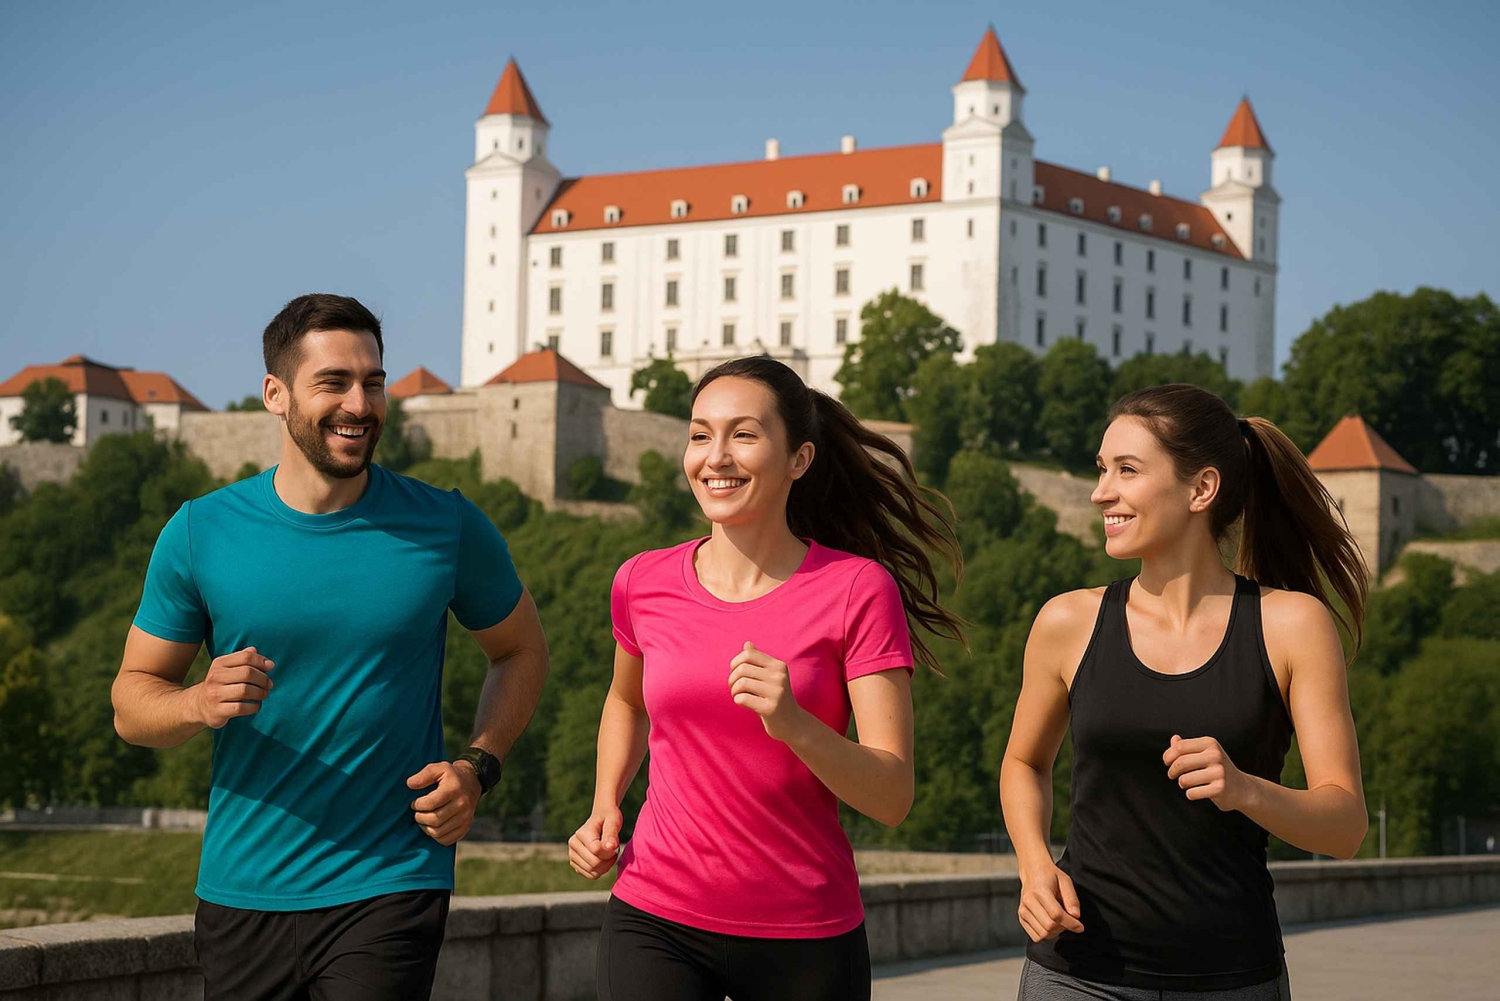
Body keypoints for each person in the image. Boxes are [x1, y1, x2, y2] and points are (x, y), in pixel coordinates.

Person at [111, 293, 549, 1001]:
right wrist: (196, 701)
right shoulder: (200, 531)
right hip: (242, 889)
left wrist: (478, 764)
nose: (360, 402)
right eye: (334, 383)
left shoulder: (446, 524)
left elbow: (522, 649)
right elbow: (132, 703)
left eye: (373, 382)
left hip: (390, 880)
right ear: (275, 395)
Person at [568, 355, 964, 1001]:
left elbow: (893, 795)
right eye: (700, 434)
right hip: (654, 915)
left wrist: (796, 726)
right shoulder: (641, 581)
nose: (715, 456)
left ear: (799, 459)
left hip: (806, 933)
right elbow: (627, 702)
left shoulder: (858, 590)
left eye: (743, 434)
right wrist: (605, 802)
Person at [1000, 383, 1369, 1000]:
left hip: (1233, 979)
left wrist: (1245, 789)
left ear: (1201, 489)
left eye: (1127, 470)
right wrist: (1035, 868)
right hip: (1076, 974)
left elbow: (1346, 827)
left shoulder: (1292, 625)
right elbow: (1023, 762)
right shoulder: (1067, 622)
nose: (1101, 492)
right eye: (1101, 469)